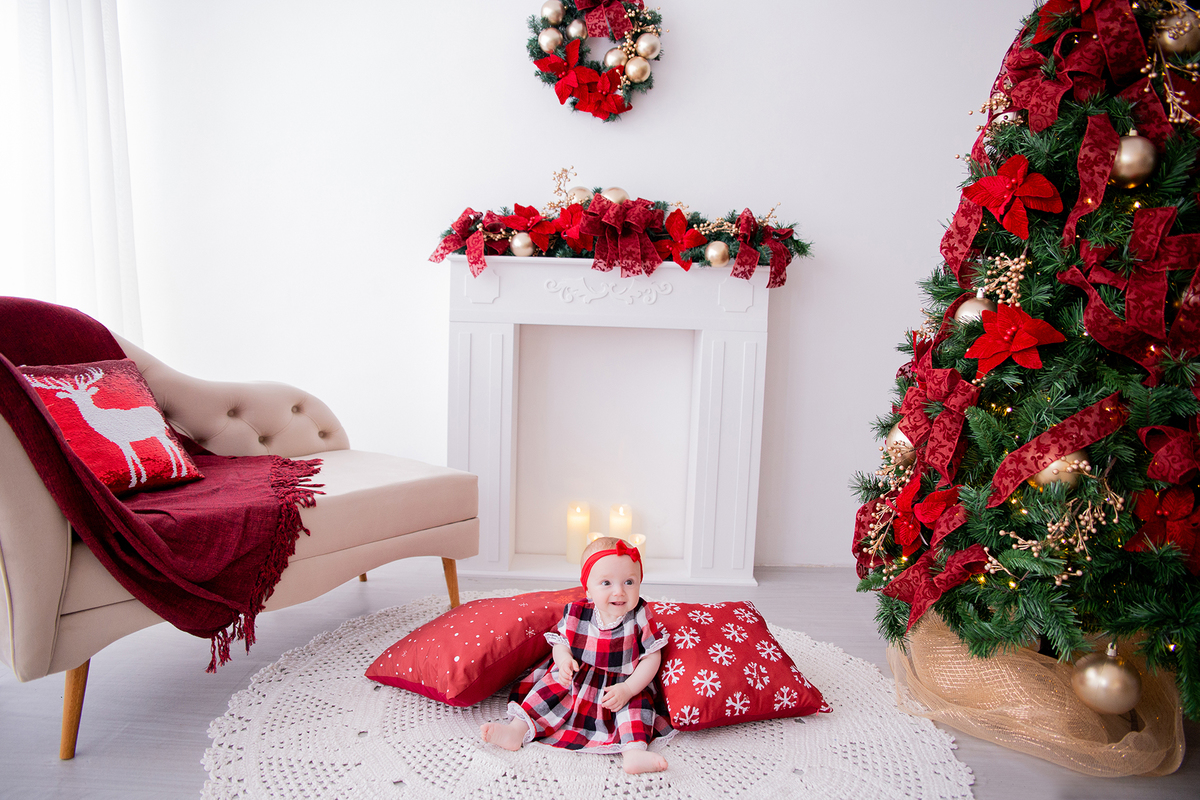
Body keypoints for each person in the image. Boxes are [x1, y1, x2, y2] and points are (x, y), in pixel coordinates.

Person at [480, 537, 674, 774]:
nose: (619, 591)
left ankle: (634, 753)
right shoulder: (576, 612)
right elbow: (561, 643)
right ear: (588, 590)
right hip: (576, 676)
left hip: (620, 686)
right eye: (606, 583)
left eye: (629, 582)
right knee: (546, 691)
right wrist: (563, 662)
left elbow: (652, 658)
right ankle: (517, 730)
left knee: (636, 710)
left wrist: (630, 689)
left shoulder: (640, 615)